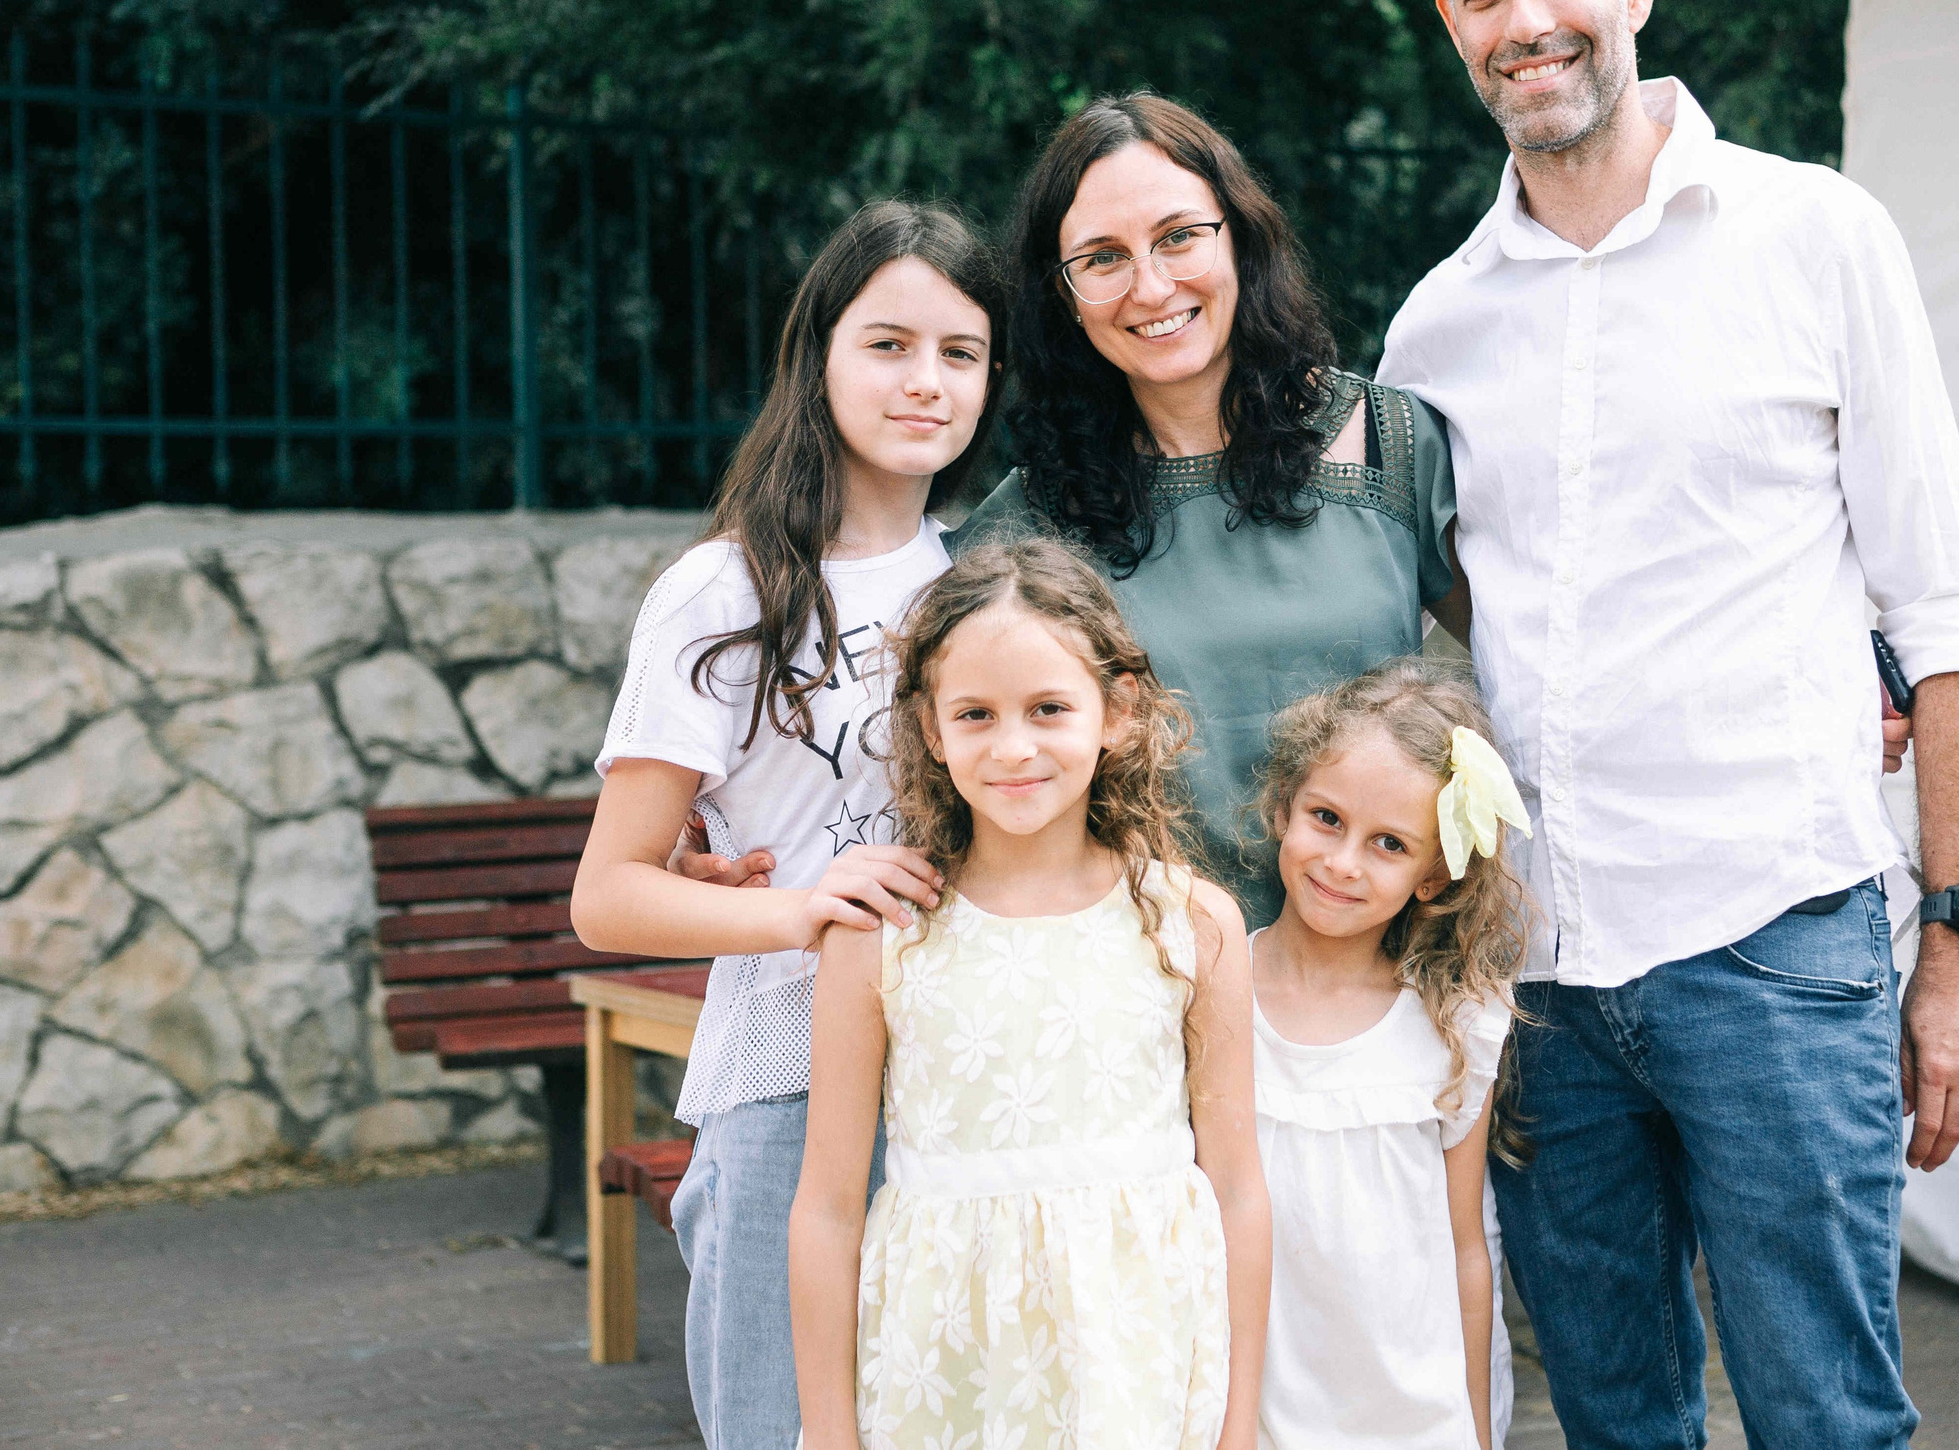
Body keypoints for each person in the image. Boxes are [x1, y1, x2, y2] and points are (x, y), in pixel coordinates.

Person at [1376, 0, 1959, 1450]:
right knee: (1615, 1422)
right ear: (1450, 21)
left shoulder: (1818, 237)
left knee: (1826, 1420)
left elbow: (1945, 612)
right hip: (1540, 978)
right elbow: (1448, 626)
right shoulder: (1438, 327)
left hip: (1773, 940)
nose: (1527, 18)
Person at [571, 202, 997, 1450]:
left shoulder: (989, 572)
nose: (926, 382)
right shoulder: (722, 592)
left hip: (980, 1080)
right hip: (789, 1081)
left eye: (961, 354)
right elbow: (610, 894)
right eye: (889, 344)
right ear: (819, 355)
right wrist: (796, 909)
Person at [788, 536, 1271, 1450]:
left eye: (1049, 707)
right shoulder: (882, 934)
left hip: (1139, 1373)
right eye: (976, 713)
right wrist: (832, 1434)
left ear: (1118, 712)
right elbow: (825, 1207)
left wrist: (1237, 1426)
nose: (1014, 747)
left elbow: (1237, 1191)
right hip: (945, 1379)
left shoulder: (1192, 923)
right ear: (932, 730)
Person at [957, 94, 1459, 926]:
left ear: (1242, 235)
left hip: (1379, 999)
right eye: (1102, 257)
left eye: (1180, 236)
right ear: (1062, 295)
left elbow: (1534, 678)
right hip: (1152, 990)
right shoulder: (1028, 528)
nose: (1151, 285)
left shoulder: (1390, 441)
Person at [1245, 658, 1529, 1450]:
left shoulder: (1453, 1027)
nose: (1342, 862)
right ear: (1284, 806)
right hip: (1259, 1405)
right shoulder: (1214, 991)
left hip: (1406, 1413)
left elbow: (1467, 1250)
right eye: (1326, 818)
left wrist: (1474, 1428)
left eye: (1388, 843)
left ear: (1433, 875)